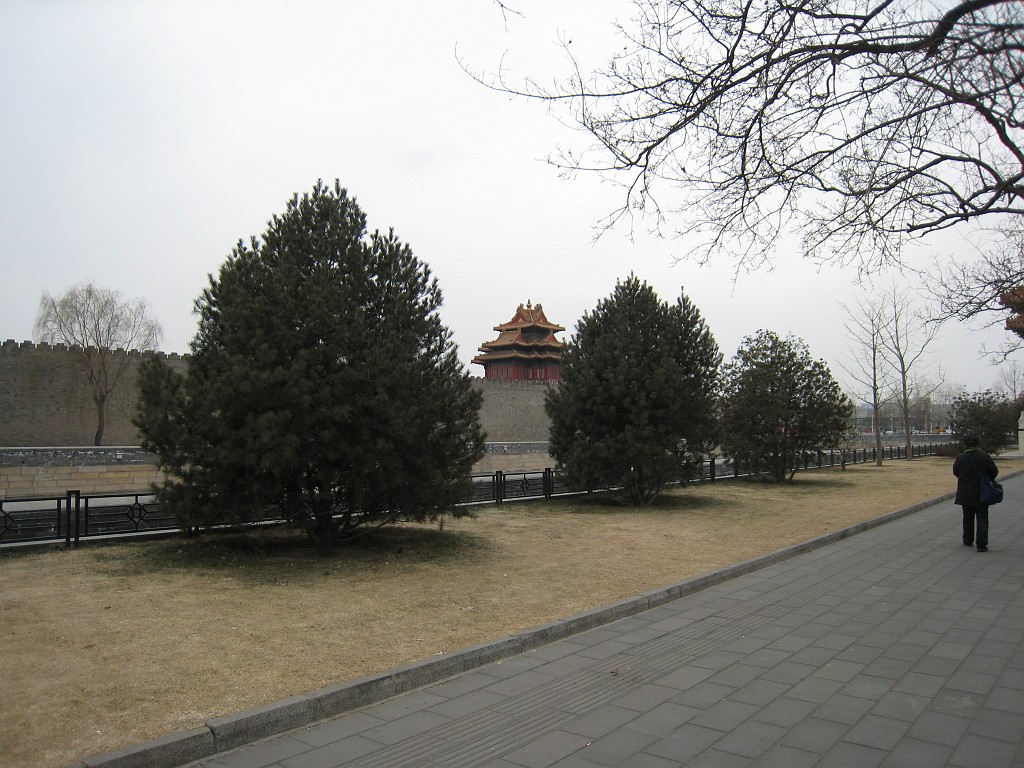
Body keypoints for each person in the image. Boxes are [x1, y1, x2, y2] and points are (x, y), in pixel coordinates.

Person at [952, 435, 999, 552]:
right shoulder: (984, 456)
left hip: (965, 491)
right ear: (977, 444)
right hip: (982, 492)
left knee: (967, 517)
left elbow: (956, 472)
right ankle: (981, 544)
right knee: (982, 517)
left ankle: (968, 539)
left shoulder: (961, 458)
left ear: (965, 445)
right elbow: (994, 472)